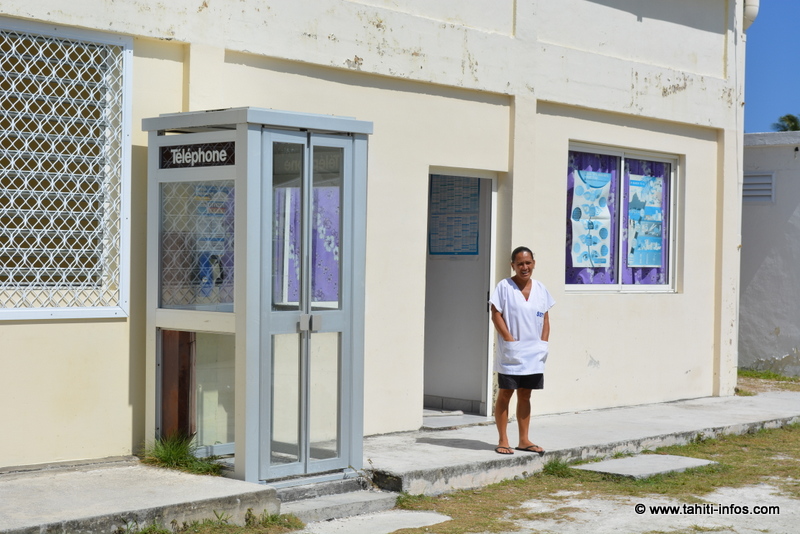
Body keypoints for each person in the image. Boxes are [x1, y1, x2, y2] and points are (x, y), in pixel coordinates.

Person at [489, 246, 554, 455]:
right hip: (512, 351)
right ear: (513, 266)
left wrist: (543, 341)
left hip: (534, 351)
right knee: (506, 393)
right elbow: (495, 314)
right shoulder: (504, 287)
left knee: (525, 394)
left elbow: (545, 318)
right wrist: (508, 338)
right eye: (520, 264)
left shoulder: (541, 289)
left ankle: (524, 440)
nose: (524, 267)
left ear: (533, 263)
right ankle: (503, 439)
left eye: (528, 263)